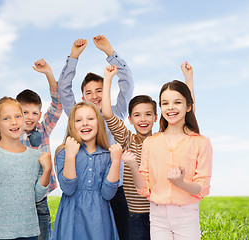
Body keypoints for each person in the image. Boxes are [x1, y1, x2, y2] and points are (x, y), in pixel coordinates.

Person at [0, 59, 62, 240]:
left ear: (40, 115)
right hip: (6, 205)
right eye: (22, 113)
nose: (27, 118)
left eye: (34, 113)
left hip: (37, 201)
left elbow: (57, 104)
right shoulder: (1, 132)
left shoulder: (44, 128)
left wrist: (49, 74)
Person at [102, 62, 195, 239]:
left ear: (155, 117)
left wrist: (188, 79)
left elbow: (187, 115)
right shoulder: (127, 139)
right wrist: (108, 79)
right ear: (129, 119)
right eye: (137, 115)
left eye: (147, 114)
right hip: (134, 215)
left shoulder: (163, 139)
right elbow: (107, 113)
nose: (142, 119)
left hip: (160, 212)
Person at [58, 35, 133, 239]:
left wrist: (110, 52)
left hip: (115, 188)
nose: (95, 96)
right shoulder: (79, 116)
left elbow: (127, 83)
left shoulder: (116, 113)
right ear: (82, 98)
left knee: (122, 233)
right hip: (84, 190)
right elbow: (63, 90)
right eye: (89, 93)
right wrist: (74, 56)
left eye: (100, 90)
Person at [123, 79, 212, 240]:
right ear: (161, 108)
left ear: (189, 106)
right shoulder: (151, 142)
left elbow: (202, 187)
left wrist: (181, 183)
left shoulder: (201, 142)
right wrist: (133, 167)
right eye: (165, 103)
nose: (170, 107)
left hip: (186, 215)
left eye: (177, 102)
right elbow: (144, 188)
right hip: (157, 216)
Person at [0, 96, 52, 240]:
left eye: (18, 116)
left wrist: (48, 170)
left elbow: (37, 196)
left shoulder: (35, 156)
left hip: (30, 231)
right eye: (6, 118)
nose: (14, 122)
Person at [51, 101, 122, 240]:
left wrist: (116, 162)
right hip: (71, 218)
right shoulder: (63, 152)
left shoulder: (107, 155)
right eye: (78, 120)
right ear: (72, 125)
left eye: (90, 118)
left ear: (99, 123)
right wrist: (70, 156)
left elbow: (108, 194)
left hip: (99, 220)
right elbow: (68, 188)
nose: (85, 123)